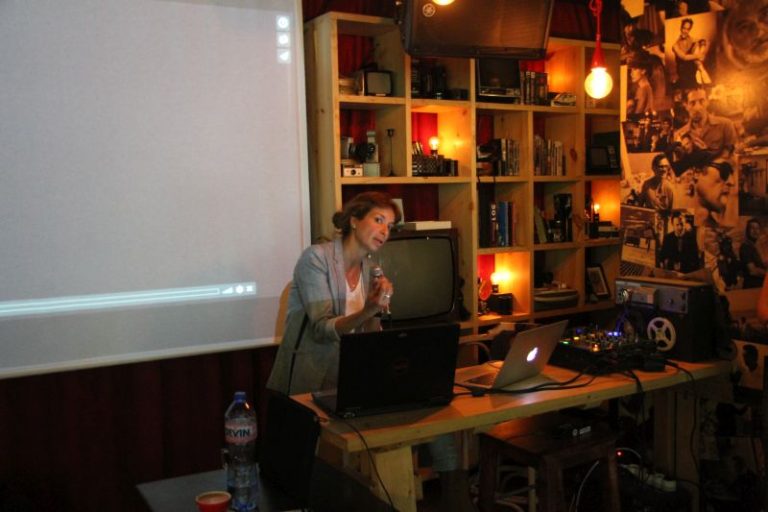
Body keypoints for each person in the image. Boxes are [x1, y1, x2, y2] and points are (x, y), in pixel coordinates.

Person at [266, 191, 477, 512]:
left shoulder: (370, 269)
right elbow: (322, 329)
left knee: (437, 409)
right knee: (302, 484)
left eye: (390, 225)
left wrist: (380, 326)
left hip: (351, 378)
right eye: (378, 220)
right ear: (354, 220)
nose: (384, 231)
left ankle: (456, 500)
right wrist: (369, 309)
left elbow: (368, 337)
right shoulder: (316, 259)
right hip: (308, 386)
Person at [674, 86, 738, 160]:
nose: (697, 107)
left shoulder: (725, 125)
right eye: (692, 103)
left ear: (707, 102)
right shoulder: (679, 135)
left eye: (702, 101)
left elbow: (732, 157)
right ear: (686, 105)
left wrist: (708, 155)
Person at [740, 218, 767, 288]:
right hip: (753, 287)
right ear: (747, 231)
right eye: (752, 228)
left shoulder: (754, 247)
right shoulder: (745, 247)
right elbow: (753, 271)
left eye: (757, 228)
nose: (755, 231)